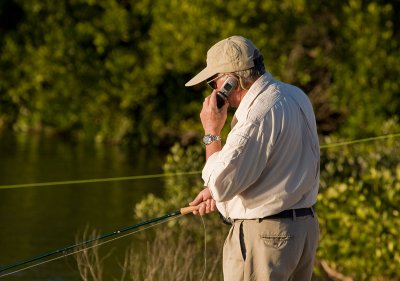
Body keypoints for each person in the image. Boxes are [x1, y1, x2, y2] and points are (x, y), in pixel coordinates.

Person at [185, 35, 320, 281]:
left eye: (213, 83)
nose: (214, 91)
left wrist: (211, 132)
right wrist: (214, 191)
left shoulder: (257, 114)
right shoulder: (296, 95)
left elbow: (220, 183)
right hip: (304, 230)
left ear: (230, 81)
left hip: (267, 237)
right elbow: (268, 168)